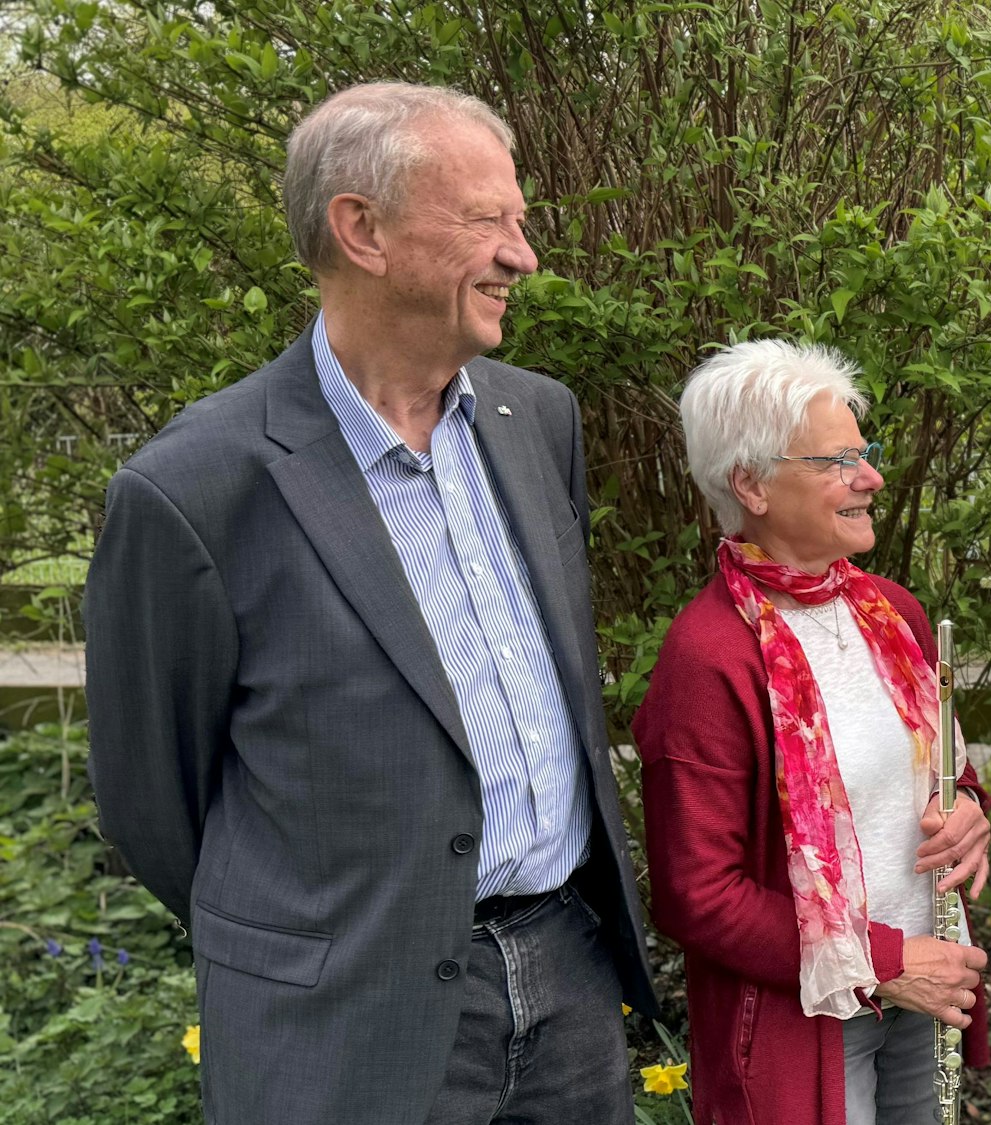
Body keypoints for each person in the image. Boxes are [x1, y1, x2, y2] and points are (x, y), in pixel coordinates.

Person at [84, 82, 657, 1125]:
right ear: (362, 230)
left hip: (568, 982)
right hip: (347, 1023)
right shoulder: (195, 492)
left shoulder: (540, 422)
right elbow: (151, 803)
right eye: (487, 219)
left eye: (519, 221)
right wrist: (319, 939)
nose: (521, 254)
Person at [633, 339, 991, 1125]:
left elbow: (945, 774)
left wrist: (969, 812)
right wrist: (887, 964)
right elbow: (698, 894)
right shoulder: (707, 657)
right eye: (836, 462)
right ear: (751, 483)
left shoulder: (892, 613)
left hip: (924, 994)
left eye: (864, 454)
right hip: (809, 1021)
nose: (870, 479)